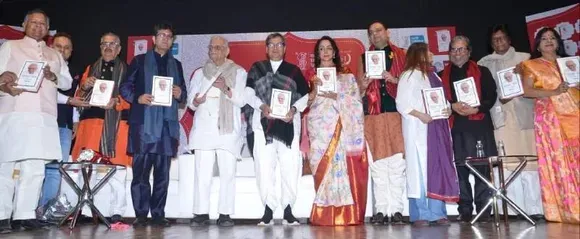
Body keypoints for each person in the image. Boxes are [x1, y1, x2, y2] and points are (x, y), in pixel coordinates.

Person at [0, 9, 72, 233]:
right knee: (6, 166)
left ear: (47, 29)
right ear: (24, 24)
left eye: (42, 24)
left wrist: (53, 76)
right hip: (16, 112)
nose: (38, 27)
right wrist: (4, 81)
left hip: (45, 116)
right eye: (34, 23)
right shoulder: (9, 47)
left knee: (36, 168)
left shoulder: (55, 54)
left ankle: (24, 214)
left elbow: (67, 83)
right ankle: (2, 216)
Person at [120, 22, 187, 227]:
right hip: (143, 126)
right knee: (140, 173)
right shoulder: (139, 61)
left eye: (169, 36)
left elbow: (183, 93)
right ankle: (141, 214)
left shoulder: (177, 65)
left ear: (172, 41)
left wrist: (179, 93)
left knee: (162, 175)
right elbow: (125, 87)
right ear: (153, 39)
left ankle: (158, 214)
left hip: (166, 127)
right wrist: (137, 97)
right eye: (161, 35)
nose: (165, 39)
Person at [477, 24, 543, 220]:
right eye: (495, 39)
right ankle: (511, 210)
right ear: (491, 43)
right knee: (506, 163)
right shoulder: (484, 63)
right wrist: (500, 98)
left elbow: (537, 85)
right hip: (500, 117)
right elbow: (484, 93)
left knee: (529, 163)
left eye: (502, 38)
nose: (499, 42)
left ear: (509, 40)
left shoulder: (525, 59)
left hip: (523, 114)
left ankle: (535, 209)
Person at [243, 33, 309, 225]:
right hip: (264, 125)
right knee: (264, 168)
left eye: (279, 45)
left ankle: (288, 210)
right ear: (266, 48)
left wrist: (294, 109)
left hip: (288, 125)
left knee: (290, 168)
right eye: (271, 45)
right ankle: (268, 210)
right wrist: (262, 106)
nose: (275, 48)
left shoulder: (293, 71)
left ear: (285, 48)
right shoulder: (257, 68)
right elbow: (248, 93)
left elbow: (304, 96)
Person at [306, 36, 368, 226]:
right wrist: (314, 90)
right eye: (321, 49)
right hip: (319, 131)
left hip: (340, 128)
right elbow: (307, 103)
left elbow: (356, 102)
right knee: (321, 169)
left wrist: (338, 96)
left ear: (334, 52)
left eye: (328, 48)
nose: (325, 52)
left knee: (341, 171)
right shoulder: (312, 76)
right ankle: (323, 215)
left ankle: (345, 215)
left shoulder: (346, 75)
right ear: (317, 53)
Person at [520, 27, 579, 224]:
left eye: (552, 38)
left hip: (575, 115)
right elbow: (527, 91)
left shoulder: (570, 63)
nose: (548, 41)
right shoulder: (531, 65)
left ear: (558, 42)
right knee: (560, 161)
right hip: (550, 120)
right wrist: (553, 92)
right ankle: (567, 210)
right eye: (544, 38)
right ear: (537, 44)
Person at [397, 43, 458, 227]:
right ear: (419, 54)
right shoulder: (408, 75)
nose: (432, 54)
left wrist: (447, 110)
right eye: (428, 51)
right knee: (420, 171)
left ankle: (438, 213)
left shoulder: (434, 76)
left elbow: (442, 100)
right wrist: (420, 115)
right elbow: (402, 103)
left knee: (436, 169)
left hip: (436, 131)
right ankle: (421, 214)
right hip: (418, 131)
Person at [187, 36, 247, 227]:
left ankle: (225, 214)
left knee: (228, 173)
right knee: (202, 173)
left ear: (227, 50)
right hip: (204, 128)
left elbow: (242, 100)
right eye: (211, 48)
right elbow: (191, 102)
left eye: (219, 48)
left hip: (227, 129)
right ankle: (200, 213)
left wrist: (226, 88)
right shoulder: (199, 73)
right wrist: (196, 101)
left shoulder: (239, 72)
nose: (214, 51)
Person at [71, 32, 130, 224]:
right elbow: (78, 99)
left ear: (119, 48)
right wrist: (84, 86)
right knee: (85, 169)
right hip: (89, 126)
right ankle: (84, 211)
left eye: (112, 44)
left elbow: (132, 99)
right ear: (100, 47)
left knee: (117, 172)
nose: (108, 47)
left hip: (116, 128)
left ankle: (117, 212)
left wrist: (117, 102)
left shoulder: (127, 70)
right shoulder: (90, 68)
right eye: (104, 43)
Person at [440, 35, 497, 223]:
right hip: (455, 127)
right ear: (449, 53)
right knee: (460, 171)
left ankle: (483, 210)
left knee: (482, 169)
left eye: (461, 49)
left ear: (469, 51)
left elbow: (491, 96)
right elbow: (437, 101)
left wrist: (477, 108)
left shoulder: (482, 71)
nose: (457, 53)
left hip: (479, 125)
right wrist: (451, 106)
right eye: (454, 50)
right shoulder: (441, 76)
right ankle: (465, 210)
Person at [356, 21, 406, 224]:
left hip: (395, 113)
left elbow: (412, 84)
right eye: (370, 33)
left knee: (396, 164)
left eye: (378, 31)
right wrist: (364, 84)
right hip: (372, 114)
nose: (375, 35)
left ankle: (396, 210)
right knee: (377, 164)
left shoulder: (402, 55)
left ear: (387, 32)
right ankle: (380, 209)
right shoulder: (363, 58)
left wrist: (395, 80)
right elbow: (357, 91)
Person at [38, 32, 86, 211]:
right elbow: (49, 94)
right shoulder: (43, 67)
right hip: (44, 122)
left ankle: (45, 210)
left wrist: (75, 120)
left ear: (71, 51)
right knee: (38, 169)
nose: (62, 51)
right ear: (51, 47)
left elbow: (75, 97)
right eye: (59, 46)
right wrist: (69, 101)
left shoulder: (74, 73)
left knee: (57, 169)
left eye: (66, 48)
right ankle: (28, 211)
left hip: (64, 125)